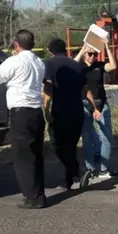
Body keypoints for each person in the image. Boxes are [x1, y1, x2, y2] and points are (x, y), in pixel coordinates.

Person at [0, 29, 47, 209]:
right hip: (36, 112)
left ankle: (32, 197)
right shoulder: (39, 62)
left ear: (16, 44)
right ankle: (38, 194)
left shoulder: (14, 62)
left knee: (22, 156)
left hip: (21, 113)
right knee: (36, 155)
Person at [43, 38, 86, 192]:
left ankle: (75, 172)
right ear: (65, 49)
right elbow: (84, 87)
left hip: (60, 111)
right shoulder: (77, 65)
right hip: (77, 110)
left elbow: (48, 88)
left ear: (50, 51)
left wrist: (46, 108)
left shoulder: (49, 64)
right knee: (71, 146)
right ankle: (70, 179)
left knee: (58, 145)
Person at [74, 41, 118, 187]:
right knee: (88, 137)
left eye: (95, 54)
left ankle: (104, 169)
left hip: (101, 103)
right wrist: (83, 49)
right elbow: (71, 66)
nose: (93, 56)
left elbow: (113, 66)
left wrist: (107, 47)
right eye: (90, 54)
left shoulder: (99, 66)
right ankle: (90, 169)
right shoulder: (79, 67)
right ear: (85, 54)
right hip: (84, 104)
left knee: (106, 136)